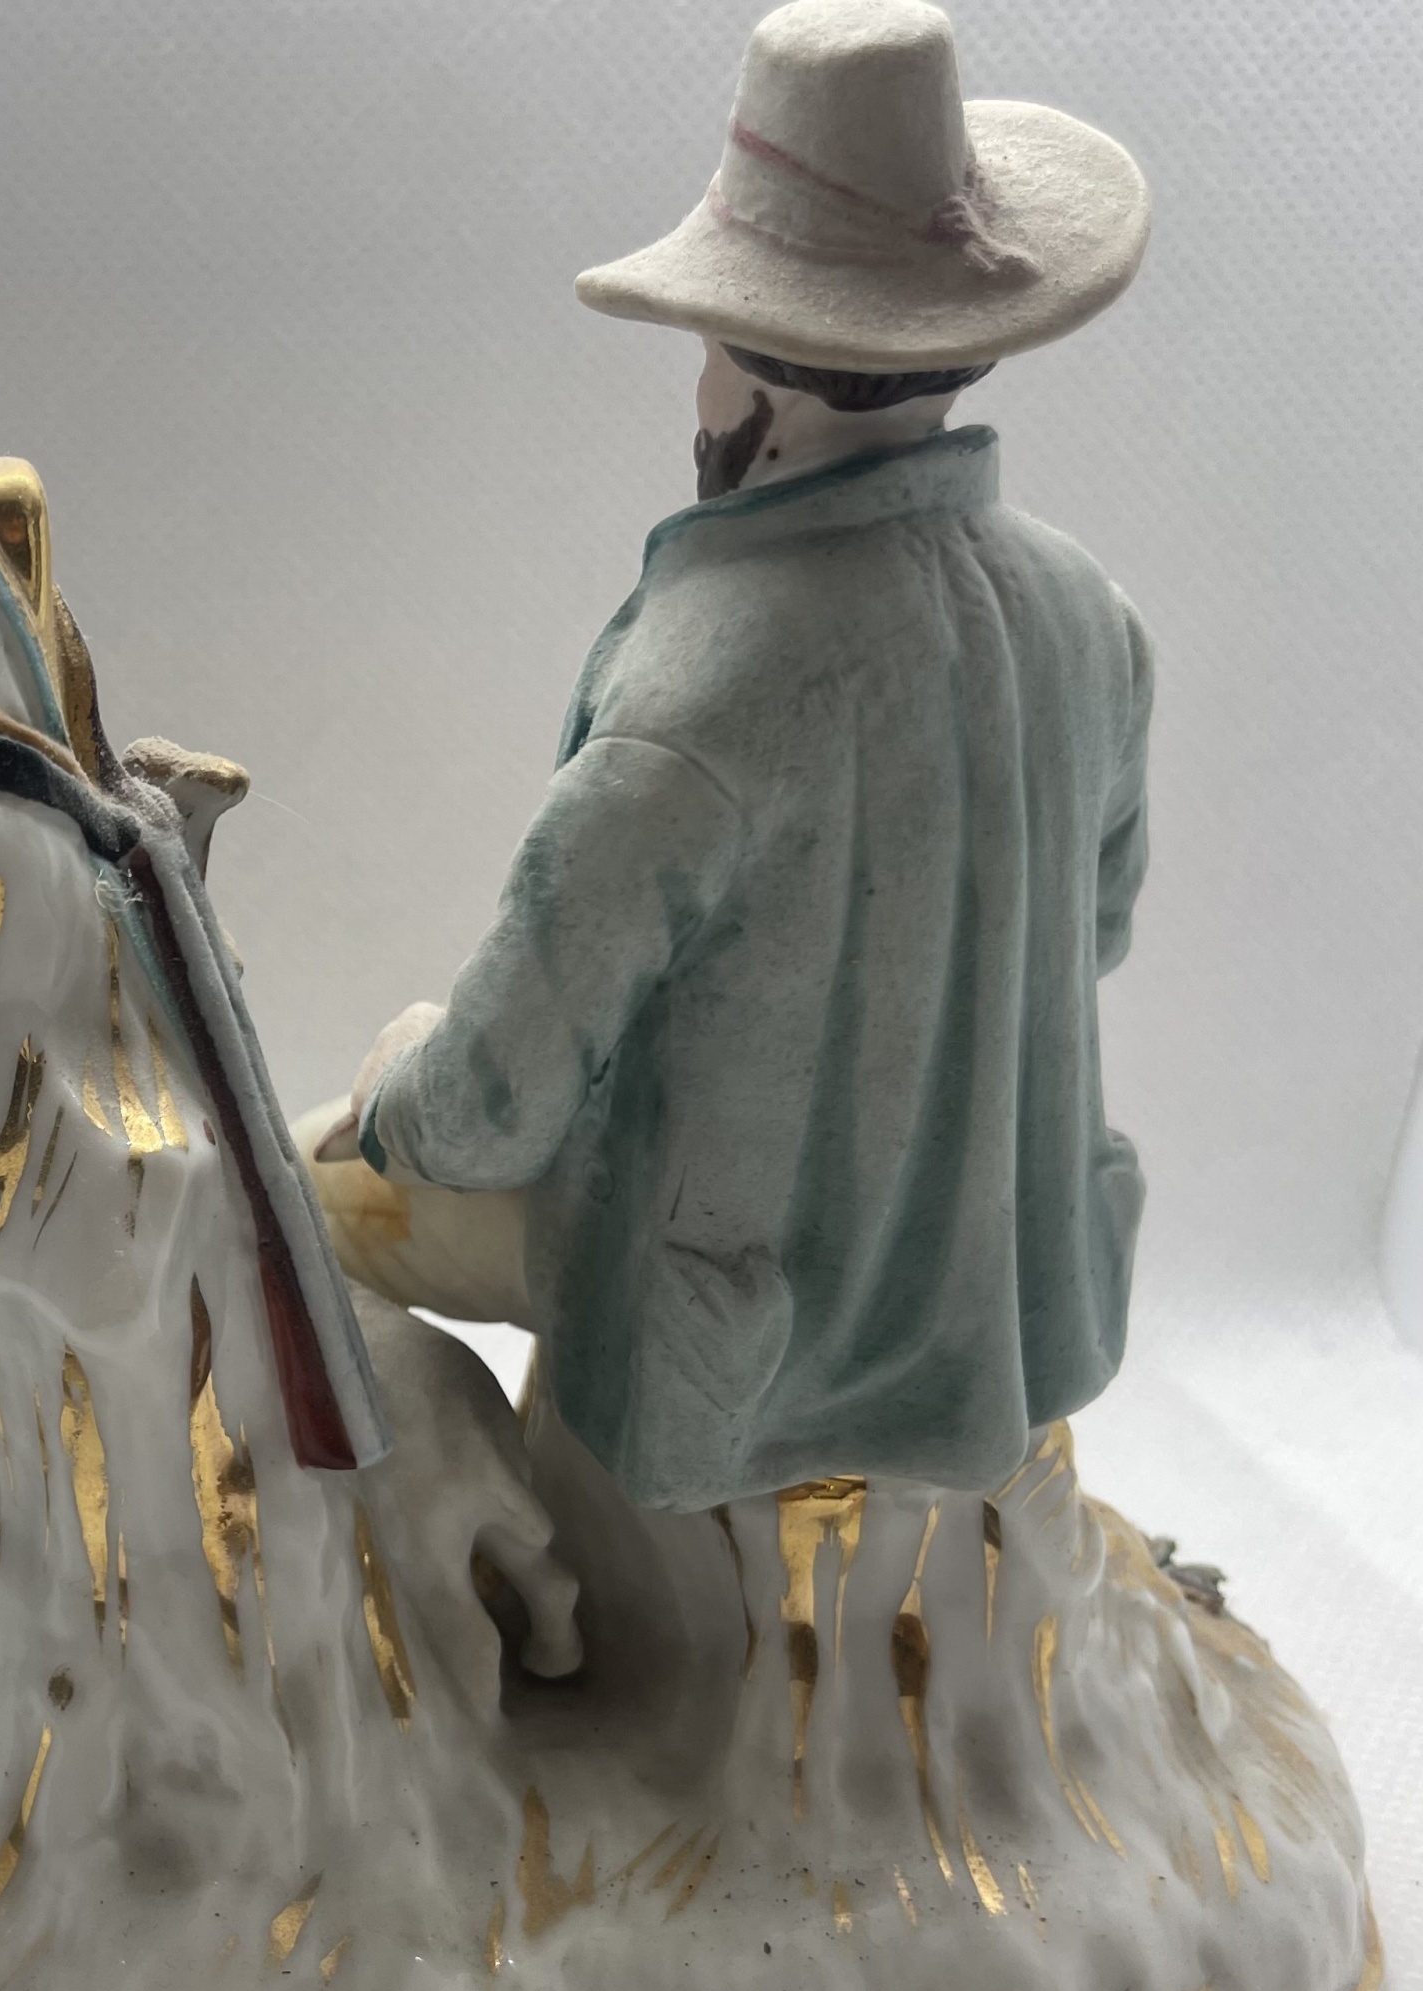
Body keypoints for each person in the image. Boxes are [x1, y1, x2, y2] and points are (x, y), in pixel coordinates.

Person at [319, 0, 1155, 1513]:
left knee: (322, 1187)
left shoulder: (699, 690)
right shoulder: (1091, 612)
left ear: (747, 372)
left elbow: (494, 1108)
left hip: (741, 1357)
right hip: (1002, 1321)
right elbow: (1092, 930)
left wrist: (387, 1103)